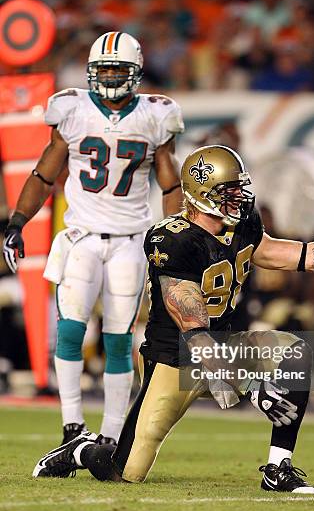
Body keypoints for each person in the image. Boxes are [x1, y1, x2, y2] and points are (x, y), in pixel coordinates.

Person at [32, 145, 314, 493]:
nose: (240, 197)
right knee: (125, 472)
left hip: (225, 346)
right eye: (229, 191)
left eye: (239, 188)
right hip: (176, 359)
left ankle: (278, 468)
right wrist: (252, 387)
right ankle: (81, 448)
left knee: (294, 353)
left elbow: (294, 254)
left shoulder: (242, 223)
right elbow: (194, 333)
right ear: (202, 193)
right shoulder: (172, 240)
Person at [2, 31, 184, 446]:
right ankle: (71, 427)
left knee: (118, 339)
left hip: (129, 241)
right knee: (69, 330)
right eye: (104, 69)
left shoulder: (156, 115)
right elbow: (44, 174)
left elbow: (170, 183)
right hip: (82, 236)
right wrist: (17, 222)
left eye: (118, 69)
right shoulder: (72, 109)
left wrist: (173, 234)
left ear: (135, 72)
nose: (110, 76)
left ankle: (111, 435)